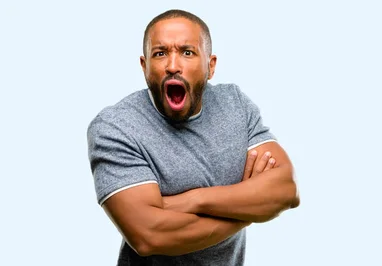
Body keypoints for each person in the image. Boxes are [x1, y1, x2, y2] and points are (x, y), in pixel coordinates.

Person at [86, 9, 300, 265]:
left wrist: (191, 201)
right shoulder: (117, 127)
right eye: (160, 53)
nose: (173, 66)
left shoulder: (235, 105)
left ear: (210, 65)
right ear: (144, 67)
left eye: (187, 52)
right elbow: (148, 236)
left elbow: (286, 191)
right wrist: (252, 207)